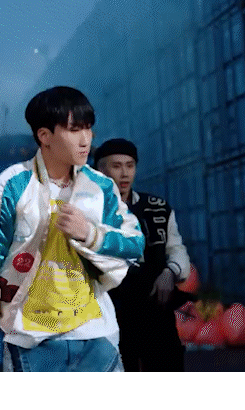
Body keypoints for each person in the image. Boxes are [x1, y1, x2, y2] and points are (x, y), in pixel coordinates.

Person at [0, 86, 145, 372]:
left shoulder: (100, 187)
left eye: (88, 128)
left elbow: (134, 242)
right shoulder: (13, 186)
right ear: (44, 136)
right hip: (34, 343)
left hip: (96, 338)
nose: (86, 139)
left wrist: (90, 234)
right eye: (74, 129)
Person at [94, 138, 191, 372]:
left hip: (155, 312)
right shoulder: (88, 210)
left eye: (130, 166)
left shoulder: (158, 208)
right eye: (116, 166)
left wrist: (170, 272)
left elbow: (177, 250)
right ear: (100, 170)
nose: (125, 173)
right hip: (109, 317)